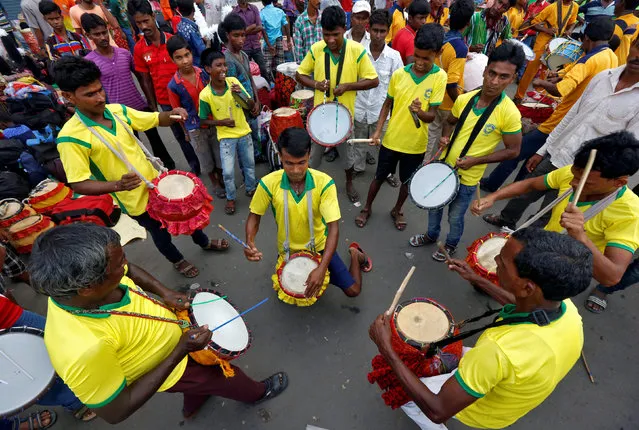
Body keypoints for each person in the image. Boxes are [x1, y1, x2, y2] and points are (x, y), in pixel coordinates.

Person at [29, 223, 287, 424]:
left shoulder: (82, 283)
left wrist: (164, 292)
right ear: (88, 288)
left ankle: (193, 404)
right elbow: (117, 411)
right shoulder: (80, 350)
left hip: (181, 340)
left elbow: (128, 269)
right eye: (118, 264)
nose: (126, 264)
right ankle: (257, 393)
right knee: (228, 378)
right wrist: (180, 351)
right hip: (174, 367)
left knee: (202, 385)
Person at [370, 228, 592, 430]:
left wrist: (386, 347)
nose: (494, 260)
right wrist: (477, 279)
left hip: (482, 411)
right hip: (518, 380)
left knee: (409, 400)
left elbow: (437, 410)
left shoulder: (498, 352)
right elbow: (520, 306)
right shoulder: (566, 309)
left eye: (502, 263)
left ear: (527, 287)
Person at [53, 56, 229, 278]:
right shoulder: (70, 138)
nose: (100, 98)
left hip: (158, 184)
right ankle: (177, 260)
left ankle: (203, 242)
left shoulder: (117, 111)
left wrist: (174, 114)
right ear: (68, 97)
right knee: (160, 233)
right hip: (134, 200)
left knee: (186, 216)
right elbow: (79, 183)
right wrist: (118, 185)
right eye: (90, 94)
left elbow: (155, 119)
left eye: (100, 90)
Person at [481, 35, 639, 231]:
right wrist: (543, 150)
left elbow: (626, 151)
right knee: (527, 189)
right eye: (638, 48)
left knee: (550, 214)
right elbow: (572, 116)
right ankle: (506, 219)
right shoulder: (603, 77)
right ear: (632, 45)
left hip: (582, 172)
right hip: (557, 154)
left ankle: (524, 242)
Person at [473, 132, 639, 315]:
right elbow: (530, 185)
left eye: (586, 183)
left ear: (619, 182)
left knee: (528, 312)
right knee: (505, 280)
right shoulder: (573, 173)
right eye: (575, 175)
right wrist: (493, 197)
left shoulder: (630, 213)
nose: (574, 183)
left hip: (557, 275)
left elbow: (611, 277)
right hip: (540, 246)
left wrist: (580, 236)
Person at [409, 43, 524, 261]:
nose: (494, 82)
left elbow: (513, 151)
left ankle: (450, 244)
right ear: (485, 70)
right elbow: (450, 122)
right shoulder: (464, 99)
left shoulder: (509, 113)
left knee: (455, 216)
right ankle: (432, 235)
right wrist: (445, 136)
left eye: (503, 77)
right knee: (433, 207)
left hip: (468, 178)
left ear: (512, 78)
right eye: (491, 73)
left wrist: (477, 160)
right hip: (444, 167)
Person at [481, 16, 617, 192]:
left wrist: (541, 83)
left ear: (587, 39)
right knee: (533, 157)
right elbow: (582, 78)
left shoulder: (588, 60)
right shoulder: (611, 57)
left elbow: (561, 89)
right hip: (575, 117)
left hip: (558, 119)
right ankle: (516, 189)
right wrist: (560, 75)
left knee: (516, 151)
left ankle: (493, 184)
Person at [244, 128, 371, 299]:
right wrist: (249, 242)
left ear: (310, 155)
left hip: (319, 247)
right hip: (287, 249)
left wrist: (321, 268)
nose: (296, 170)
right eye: (289, 163)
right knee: (287, 289)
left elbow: (333, 228)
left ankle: (355, 255)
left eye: (301, 162)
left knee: (353, 291)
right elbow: (254, 216)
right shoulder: (268, 183)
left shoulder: (325, 183)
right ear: (280, 157)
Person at [356, 24, 447, 230]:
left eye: (427, 58)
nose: (421, 63)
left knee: (407, 182)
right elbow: (387, 104)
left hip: (416, 145)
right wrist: (378, 131)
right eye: (417, 56)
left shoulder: (440, 77)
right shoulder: (399, 75)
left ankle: (397, 210)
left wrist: (419, 112)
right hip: (391, 140)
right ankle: (367, 207)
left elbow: (431, 117)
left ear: (438, 54)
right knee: (378, 177)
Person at [296, 6, 379, 202]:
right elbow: (300, 74)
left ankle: (349, 183)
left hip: (344, 117)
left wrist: (348, 86)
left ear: (344, 29)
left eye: (335, 34)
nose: (331, 40)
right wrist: (316, 84)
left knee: (347, 157)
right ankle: (309, 184)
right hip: (320, 116)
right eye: (326, 35)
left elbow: (374, 80)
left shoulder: (356, 50)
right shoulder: (316, 49)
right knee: (313, 157)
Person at [83, 13, 176, 170]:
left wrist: (150, 102)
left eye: (104, 32)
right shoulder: (90, 62)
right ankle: (148, 176)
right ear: (88, 36)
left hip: (139, 106)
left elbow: (142, 78)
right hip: (117, 114)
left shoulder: (124, 54)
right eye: (97, 34)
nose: (102, 37)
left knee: (156, 141)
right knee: (134, 149)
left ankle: (170, 170)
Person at [128, 0, 201, 175]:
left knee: (200, 129)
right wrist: (153, 106)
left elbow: (189, 64)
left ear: (153, 16)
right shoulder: (139, 49)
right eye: (139, 23)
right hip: (165, 101)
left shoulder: (172, 40)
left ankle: (212, 166)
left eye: (146, 21)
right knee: (181, 136)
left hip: (187, 95)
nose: (143, 26)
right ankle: (195, 168)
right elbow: (144, 79)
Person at [199, 48, 257, 216]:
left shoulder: (233, 82)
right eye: (218, 65)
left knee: (249, 165)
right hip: (226, 138)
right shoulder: (205, 95)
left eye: (224, 65)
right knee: (228, 171)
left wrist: (242, 96)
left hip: (244, 132)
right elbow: (202, 121)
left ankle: (251, 188)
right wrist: (220, 122)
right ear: (208, 69)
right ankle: (231, 197)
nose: (223, 69)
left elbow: (251, 105)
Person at [166, 36, 226, 198]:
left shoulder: (204, 74)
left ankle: (221, 179)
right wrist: (185, 132)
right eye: (179, 58)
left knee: (219, 154)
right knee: (205, 159)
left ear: (191, 54)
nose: (185, 61)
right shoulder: (174, 85)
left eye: (187, 55)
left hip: (213, 122)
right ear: (172, 60)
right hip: (195, 128)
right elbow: (177, 112)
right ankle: (215, 183)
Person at [352, 9, 403, 180]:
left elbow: (398, 88)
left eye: (382, 31)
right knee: (359, 141)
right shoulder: (357, 51)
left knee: (384, 145)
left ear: (388, 32)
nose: (378, 35)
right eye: (375, 30)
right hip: (359, 107)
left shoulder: (394, 57)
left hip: (380, 111)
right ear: (369, 28)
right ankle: (358, 167)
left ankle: (385, 172)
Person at [428, 0, 474, 159]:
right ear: (468, 23)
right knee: (446, 141)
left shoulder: (442, 37)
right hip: (448, 104)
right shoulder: (460, 47)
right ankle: (439, 166)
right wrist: (460, 103)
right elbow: (451, 83)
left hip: (434, 96)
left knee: (429, 138)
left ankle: (421, 167)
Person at [514, 0, 579, 102]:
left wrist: (569, 30)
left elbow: (572, 22)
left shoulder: (575, 6)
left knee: (547, 71)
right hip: (542, 41)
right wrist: (547, 30)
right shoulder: (551, 7)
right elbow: (533, 23)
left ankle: (539, 96)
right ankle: (519, 96)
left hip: (556, 42)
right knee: (530, 70)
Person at [220, 13, 263, 162]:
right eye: (236, 36)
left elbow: (250, 78)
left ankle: (257, 156)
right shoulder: (227, 60)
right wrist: (249, 106)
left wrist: (256, 101)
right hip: (242, 110)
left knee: (254, 134)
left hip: (251, 105)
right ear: (227, 35)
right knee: (245, 144)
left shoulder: (243, 54)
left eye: (243, 35)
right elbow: (233, 92)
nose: (241, 40)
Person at [233, 0, 270, 82]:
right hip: (243, 47)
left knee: (263, 69)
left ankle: (267, 88)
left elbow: (260, 27)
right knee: (246, 71)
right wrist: (252, 27)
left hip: (256, 45)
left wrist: (243, 32)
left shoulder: (253, 8)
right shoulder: (234, 12)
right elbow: (236, 32)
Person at [260, 0, 291, 81]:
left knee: (267, 66)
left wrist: (270, 46)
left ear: (262, 3)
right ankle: (281, 83)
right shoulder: (279, 11)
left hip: (268, 42)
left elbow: (263, 31)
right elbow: (286, 25)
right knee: (280, 65)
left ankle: (269, 86)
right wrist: (288, 40)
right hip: (279, 40)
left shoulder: (262, 13)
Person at [392, 0, 429, 64]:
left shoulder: (402, 31)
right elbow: (411, 68)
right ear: (410, 18)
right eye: (420, 18)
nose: (424, 21)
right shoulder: (411, 40)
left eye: (425, 18)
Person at [173, 0, 206, 67]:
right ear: (193, 10)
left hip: (187, 62)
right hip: (197, 63)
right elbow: (201, 49)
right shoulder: (191, 29)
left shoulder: (179, 25)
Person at [612, 0, 639, 66]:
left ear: (622, 3)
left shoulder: (615, 26)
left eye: (616, 1)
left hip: (616, 67)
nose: (614, 4)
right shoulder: (637, 21)